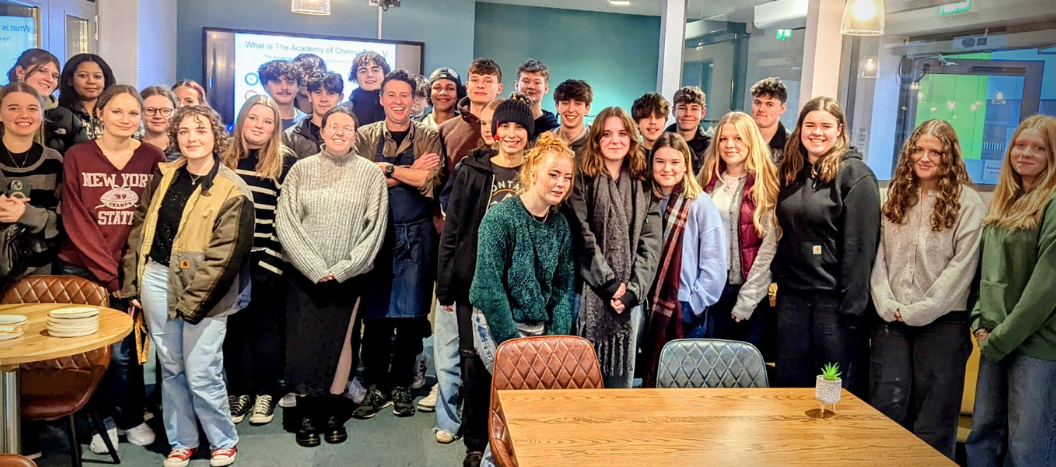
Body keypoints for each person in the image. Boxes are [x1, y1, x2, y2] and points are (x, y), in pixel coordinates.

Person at [119, 105, 254, 467]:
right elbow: (140, 230)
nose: (192, 138)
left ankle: (222, 438)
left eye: (201, 131)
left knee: (202, 369)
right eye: (184, 132)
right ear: (175, 137)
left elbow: (226, 257)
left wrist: (194, 305)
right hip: (157, 279)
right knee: (171, 367)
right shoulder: (163, 175)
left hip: (206, 289)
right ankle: (182, 440)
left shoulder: (232, 189)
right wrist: (133, 283)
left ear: (215, 137)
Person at [57, 84, 165, 453]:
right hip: (82, 268)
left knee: (125, 352)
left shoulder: (153, 156)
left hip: (130, 269)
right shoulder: (77, 155)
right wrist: (109, 274)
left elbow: (153, 218)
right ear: (100, 113)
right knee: (88, 352)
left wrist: (128, 274)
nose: (125, 119)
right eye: (117, 111)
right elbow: (75, 219)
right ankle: (99, 423)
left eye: (133, 113)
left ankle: (131, 419)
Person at [868, 119, 984, 459]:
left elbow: (962, 270)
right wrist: (886, 303)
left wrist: (921, 310)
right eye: (918, 150)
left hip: (944, 325)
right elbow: (878, 259)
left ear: (949, 157)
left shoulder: (969, 204)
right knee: (886, 410)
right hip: (892, 320)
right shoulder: (893, 197)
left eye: (935, 152)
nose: (925, 158)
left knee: (934, 422)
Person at [275, 105, 387, 447]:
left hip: (348, 276)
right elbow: (286, 222)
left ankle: (334, 409)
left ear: (356, 134)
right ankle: (307, 411)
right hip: (303, 274)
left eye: (347, 127)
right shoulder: (301, 171)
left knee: (342, 344)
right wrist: (313, 267)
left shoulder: (370, 174)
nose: (339, 132)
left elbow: (375, 228)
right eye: (332, 126)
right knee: (303, 342)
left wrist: (343, 269)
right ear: (321, 132)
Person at [465, 132, 576, 467]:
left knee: (540, 404)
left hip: (538, 325)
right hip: (496, 321)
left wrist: (556, 341)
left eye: (567, 177)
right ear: (532, 174)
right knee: (519, 398)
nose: (560, 184)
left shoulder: (560, 225)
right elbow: (488, 288)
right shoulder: (500, 219)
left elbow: (561, 288)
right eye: (553, 174)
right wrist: (514, 347)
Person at [437, 95, 532, 459]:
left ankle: (512, 443)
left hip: (519, 291)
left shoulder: (536, 172)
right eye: (504, 126)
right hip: (473, 286)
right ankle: (476, 445)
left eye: (519, 127)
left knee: (516, 370)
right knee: (474, 368)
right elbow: (453, 230)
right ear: (494, 131)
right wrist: (446, 284)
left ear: (528, 133)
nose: (511, 134)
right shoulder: (472, 170)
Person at [772, 96, 880, 395]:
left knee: (831, 391)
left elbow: (861, 249)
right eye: (810, 125)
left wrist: (852, 310)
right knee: (790, 386)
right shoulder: (790, 171)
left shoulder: (856, 176)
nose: (816, 132)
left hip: (833, 306)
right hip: (792, 298)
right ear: (800, 128)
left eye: (825, 126)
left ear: (840, 129)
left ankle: (831, 441)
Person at [965, 115, 1056, 466]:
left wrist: (1001, 337)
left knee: (1028, 449)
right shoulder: (1005, 201)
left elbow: (1045, 290)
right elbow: (985, 272)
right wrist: (979, 322)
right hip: (994, 340)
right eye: (1020, 145)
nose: (1026, 153)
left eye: (1039, 147)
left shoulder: (1051, 203)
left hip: (1037, 347)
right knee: (984, 436)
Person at [352, 69, 443, 420]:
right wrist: (404, 173)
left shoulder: (429, 136)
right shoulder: (363, 135)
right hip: (374, 234)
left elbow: (428, 181)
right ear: (381, 98)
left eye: (404, 95)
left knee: (411, 316)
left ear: (414, 100)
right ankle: (375, 384)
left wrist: (384, 169)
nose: (398, 101)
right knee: (374, 318)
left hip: (416, 237)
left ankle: (403, 383)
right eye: (391, 95)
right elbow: (360, 183)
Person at [563, 106, 661, 389]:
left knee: (620, 388)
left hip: (631, 301)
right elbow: (581, 234)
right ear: (596, 139)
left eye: (621, 133)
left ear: (632, 137)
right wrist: (608, 284)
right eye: (606, 134)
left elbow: (651, 242)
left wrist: (633, 290)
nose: (614, 140)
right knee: (581, 382)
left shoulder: (644, 182)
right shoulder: (581, 178)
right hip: (587, 294)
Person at [220, 95, 298, 427]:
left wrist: (272, 260)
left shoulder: (284, 161)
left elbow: (287, 216)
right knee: (233, 329)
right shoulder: (221, 157)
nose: (260, 126)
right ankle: (240, 390)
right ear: (242, 119)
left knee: (267, 330)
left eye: (268, 122)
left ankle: (267, 391)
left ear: (275, 128)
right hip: (226, 260)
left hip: (265, 258)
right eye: (254, 118)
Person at [639, 132, 725, 387]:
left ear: (686, 165)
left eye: (675, 162)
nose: (667, 169)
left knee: (681, 386)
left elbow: (715, 266)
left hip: (684, 309)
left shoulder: (700, 203)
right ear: (651, 163)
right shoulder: (644, 198)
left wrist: (695, 303)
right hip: (646, 306)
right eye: (660, 161)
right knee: (649, 384)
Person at [698, 112, 781, 348]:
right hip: (711, 289)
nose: (729, 145)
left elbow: (768, 249)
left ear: (751, 141)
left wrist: (747, 300)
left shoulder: (765, 186)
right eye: (723, 139)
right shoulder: (707, 181)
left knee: (742, 375)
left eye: (738, 138)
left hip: (746, 292)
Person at [0, 83, 63, 283]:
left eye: (32, 108)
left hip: (40, 274)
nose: (24, 115)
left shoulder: (54, 161)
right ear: (0, 114)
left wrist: (25, 214)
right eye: (13, 108)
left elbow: (63, 220)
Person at [7, 48, 87, 155]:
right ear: (20, 72)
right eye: (42, 71)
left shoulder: (67, 118)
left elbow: (84, 157)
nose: (49, 79)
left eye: (55, 76)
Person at [438, 58, 503, 176]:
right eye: (475, 80)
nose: (480, 85)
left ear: (499, 88)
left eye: (488, 81)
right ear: (467, 86)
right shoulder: (445, 130)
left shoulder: (508, 129)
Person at [284, 71, 344, 159]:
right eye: (318, 93)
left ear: (340, 98)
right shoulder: (290, 137)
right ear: (309, 96)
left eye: (330, 93)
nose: (324, 99)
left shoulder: (351, 135)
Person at [58, 53, 116, 140]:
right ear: (70, 80)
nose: (91, 81)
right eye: (83, 76)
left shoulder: (116, 113)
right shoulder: (59, 115)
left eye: (97, 77)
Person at [665, 86, 709, 172]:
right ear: (673, 111)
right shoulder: (660, 144)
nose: (688, 114)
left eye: (694, 109)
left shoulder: (711, 148)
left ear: (703, 113)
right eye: (682, 108)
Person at [514, 59, 558, 139]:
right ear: (517, 86)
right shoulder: (506, 123)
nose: (531, 86)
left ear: (546, 89)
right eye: (526, 81)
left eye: (537, 83)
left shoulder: (553, 130)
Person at [548, 79, 592, 159]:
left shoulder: (596, 141)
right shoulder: (544, 142)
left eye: (578, 104)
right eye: (565, 103)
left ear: (587, 109)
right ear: (557, 107)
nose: (571, 110)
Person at [750, 77, 790, 163]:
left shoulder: (792, 146)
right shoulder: (739, 138)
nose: (761, 109)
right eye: (757, 103)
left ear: (782, 108)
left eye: (769, 105)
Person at [258, 60, 306, 130]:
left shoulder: (307, 123)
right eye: (277, 82)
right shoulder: (255, 121)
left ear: (298, 87)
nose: (284, 88)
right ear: (266, 86)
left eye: (290, 82)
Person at [348, 51, 390, 127]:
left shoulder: (396, 105)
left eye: (375, 70)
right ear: (355, 78)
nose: (370, 75)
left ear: (385, 74)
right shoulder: (346, 110)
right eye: (363, 71)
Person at [140, 86, 178, 154]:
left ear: (175, 113)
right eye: (150, 110)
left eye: (165, 111)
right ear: (139, 113)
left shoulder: (182, 151)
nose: (158, 116)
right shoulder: (130, 151)